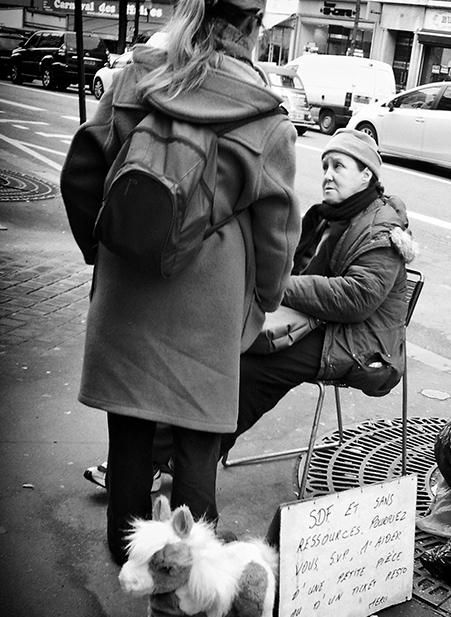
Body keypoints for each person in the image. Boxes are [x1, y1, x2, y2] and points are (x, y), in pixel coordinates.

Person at [60, 0, 300, 564]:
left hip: (127, 290)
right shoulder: (266, 117)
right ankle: (192, 584)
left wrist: (107, 250)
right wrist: (263, 298)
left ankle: (130, 566)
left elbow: (80, 173)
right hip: (210, 303)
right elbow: (276, 233)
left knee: (130, 437)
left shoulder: (134, 78)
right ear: (253, 28)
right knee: (196, 443)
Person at [220, 129, 417, 458]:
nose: (328, 175)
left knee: (253, 370)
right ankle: (176, 453)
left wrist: (277, 286)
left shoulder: (382, 229)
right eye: (325, 166)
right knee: (229, 347)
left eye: (339, 166)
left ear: (366, 174)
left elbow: (355, 299)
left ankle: (179, 459)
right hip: (325, 324)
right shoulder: (333, 216)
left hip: (367, 347)